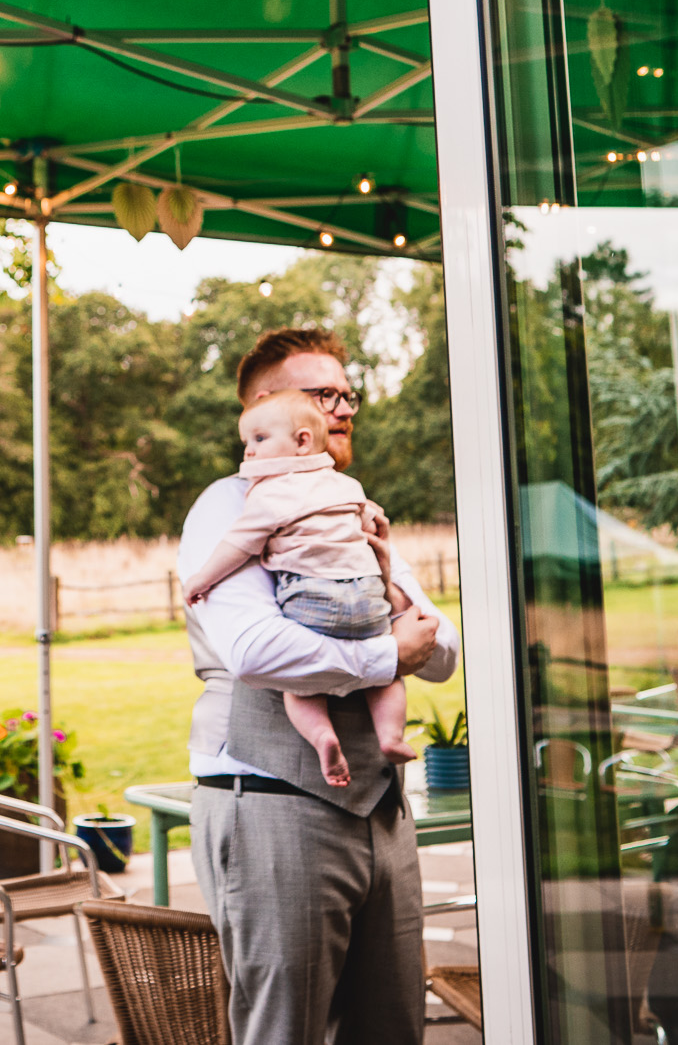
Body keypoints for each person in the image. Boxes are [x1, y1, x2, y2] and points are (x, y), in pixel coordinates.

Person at [180, 326, 459, 1045]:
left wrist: (406, 639)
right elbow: (253, 648)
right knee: (286, 1033)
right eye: (322, 392)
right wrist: (387, 653)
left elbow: (442, 646)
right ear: (269, 406)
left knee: (395, 1027)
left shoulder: (350, 506)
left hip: (383, 810)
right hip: (273, 801)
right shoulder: (230, 505)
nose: (343, 407)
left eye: (347, 392)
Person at [181, 388, 432, 786]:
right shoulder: (347, 487)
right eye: (248, 441)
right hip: (368, 599)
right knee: (391, 677)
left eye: (258, 439)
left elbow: (240, 543)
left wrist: (202, 579)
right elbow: (424, 634)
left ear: (301, 440)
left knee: (297, 687)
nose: (248, 452)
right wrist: (390, 650)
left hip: (314, 599)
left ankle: (321, 737)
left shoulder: (268, 492)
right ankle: (391, 735)